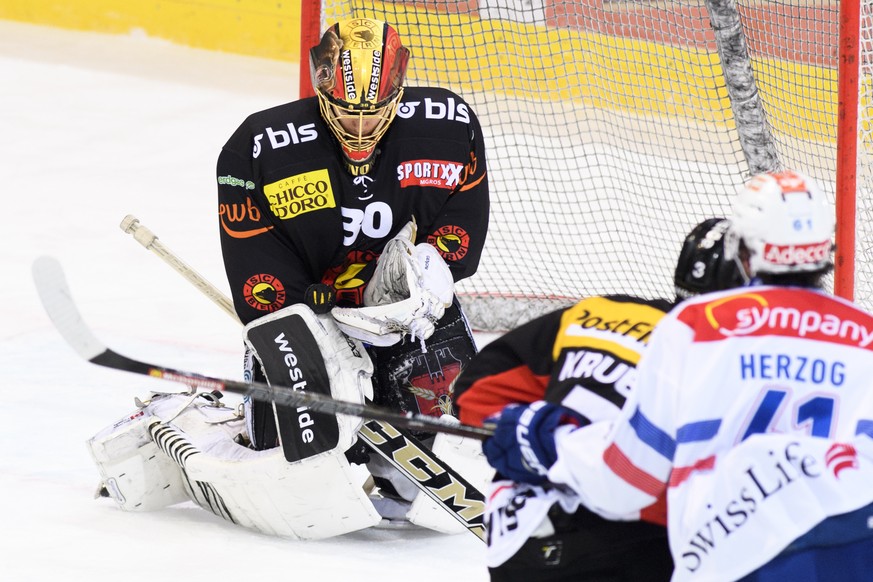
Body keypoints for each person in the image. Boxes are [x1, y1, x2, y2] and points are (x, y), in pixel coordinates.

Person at [86, 18, 490, 541]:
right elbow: (258, 272)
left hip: (399, 315)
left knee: (463, 427)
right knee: (303, 443)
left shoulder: (448, 125)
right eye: (346, 111)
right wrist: (307, 316)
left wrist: (436, 267)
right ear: (321, 88)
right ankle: (185, 423)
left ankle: (392, 452)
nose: (361, 128)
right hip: (307, 311)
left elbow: (462, 219)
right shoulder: (260, 147)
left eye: (374, 113)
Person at [482, 170, 873, 581]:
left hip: (737, 561)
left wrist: (550, 442)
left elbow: (629, 479)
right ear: (826, 247)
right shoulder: (867, 334)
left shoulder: (695, 325)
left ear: (741, 247)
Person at [453, 217, 744, 580]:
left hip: (521, 536)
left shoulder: (600, 311)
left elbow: (474, 393)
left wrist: (527, 431)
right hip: (639, 542)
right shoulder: (741, 356)